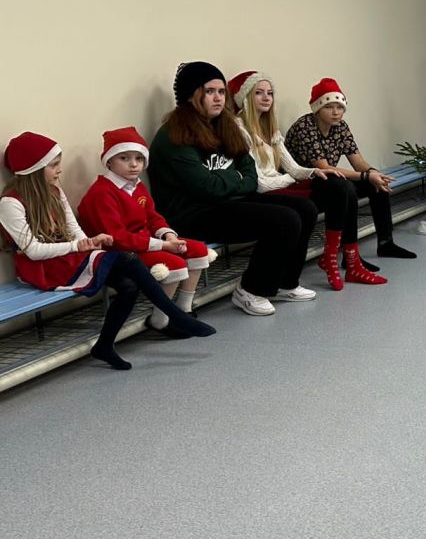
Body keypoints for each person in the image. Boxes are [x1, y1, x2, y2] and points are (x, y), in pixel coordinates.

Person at [2, 132, 214, 370]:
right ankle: (175, 315)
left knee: (129, 285)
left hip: (69, 257)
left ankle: (104, 345)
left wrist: (89, 242)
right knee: (127, 259)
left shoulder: (55, 191)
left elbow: (74, 229)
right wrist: (78, 246)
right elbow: (33, 251)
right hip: (44, 267)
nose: (59, 170)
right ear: (33, 169)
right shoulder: (10, 203)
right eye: (53, 165)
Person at [148, 61, 317, 317]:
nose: (218, 98)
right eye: (209, 91)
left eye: (221, 91)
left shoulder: (224, 124)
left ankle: (285, 283)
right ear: (191, 95)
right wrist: (235, 178)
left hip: (228, 202)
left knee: (305, 209)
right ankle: (251, 290)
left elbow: (250, 174)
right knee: (284, 220)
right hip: (193, 214)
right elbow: (206, 188)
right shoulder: (174, 135)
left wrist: (230, 180)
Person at [230, 71, 385, 291]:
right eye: (259, 93)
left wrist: (313, 173)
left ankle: (346, 259)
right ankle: (331, 261)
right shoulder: (240, 128)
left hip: (283, 183)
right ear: (245, 98)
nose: (266, 98)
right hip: (265, 190)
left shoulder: (269, 126)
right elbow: (260, 182)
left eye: (270, 93)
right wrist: (296, 177)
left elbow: (293, 167)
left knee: (342, 186)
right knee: (334, 191)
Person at [76, 127, 217, 337]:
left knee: (197, 249)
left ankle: (184, 310)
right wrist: (163, 245)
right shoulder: (102, 193)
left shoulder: (136, 186)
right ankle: (160, 320)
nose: (134, 164)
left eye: (139, 158)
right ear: (109, 161)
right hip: (121, 251)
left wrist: (168, 235)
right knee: (175, 263)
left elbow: (152, 217)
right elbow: (118, 238)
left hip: (145, 241)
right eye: (124, 158)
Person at [284, 78, 416, 264]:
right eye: (329, 107)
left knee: (376, 184)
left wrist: (373, 173)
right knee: (348, 189)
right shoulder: (305, 126)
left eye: (340, 107)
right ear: (317, 108)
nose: (336, 112)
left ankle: (386, 243)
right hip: (304, 184)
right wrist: (366, 175)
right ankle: (350, 256)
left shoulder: (341, 127)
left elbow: (358, 161)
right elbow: (323, 167)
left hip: (329, 181)